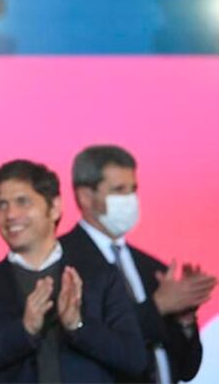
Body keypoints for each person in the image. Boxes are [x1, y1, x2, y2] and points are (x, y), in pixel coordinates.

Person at [0, 159, 146, 383]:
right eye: (1, 205)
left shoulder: (99, 276)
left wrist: (78, 326)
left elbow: (135, 359)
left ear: (54, 208)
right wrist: (24, 330)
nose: (11, 214)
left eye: (23, 202)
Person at [60, 145, 215, 383]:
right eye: (119, 190)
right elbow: (92, 342)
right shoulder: (63, 262)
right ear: (85, 196)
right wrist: (158, 306)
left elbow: (186, 369)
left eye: (133, 189)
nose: (130, 199)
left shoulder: (152, 269)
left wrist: (184, 319)